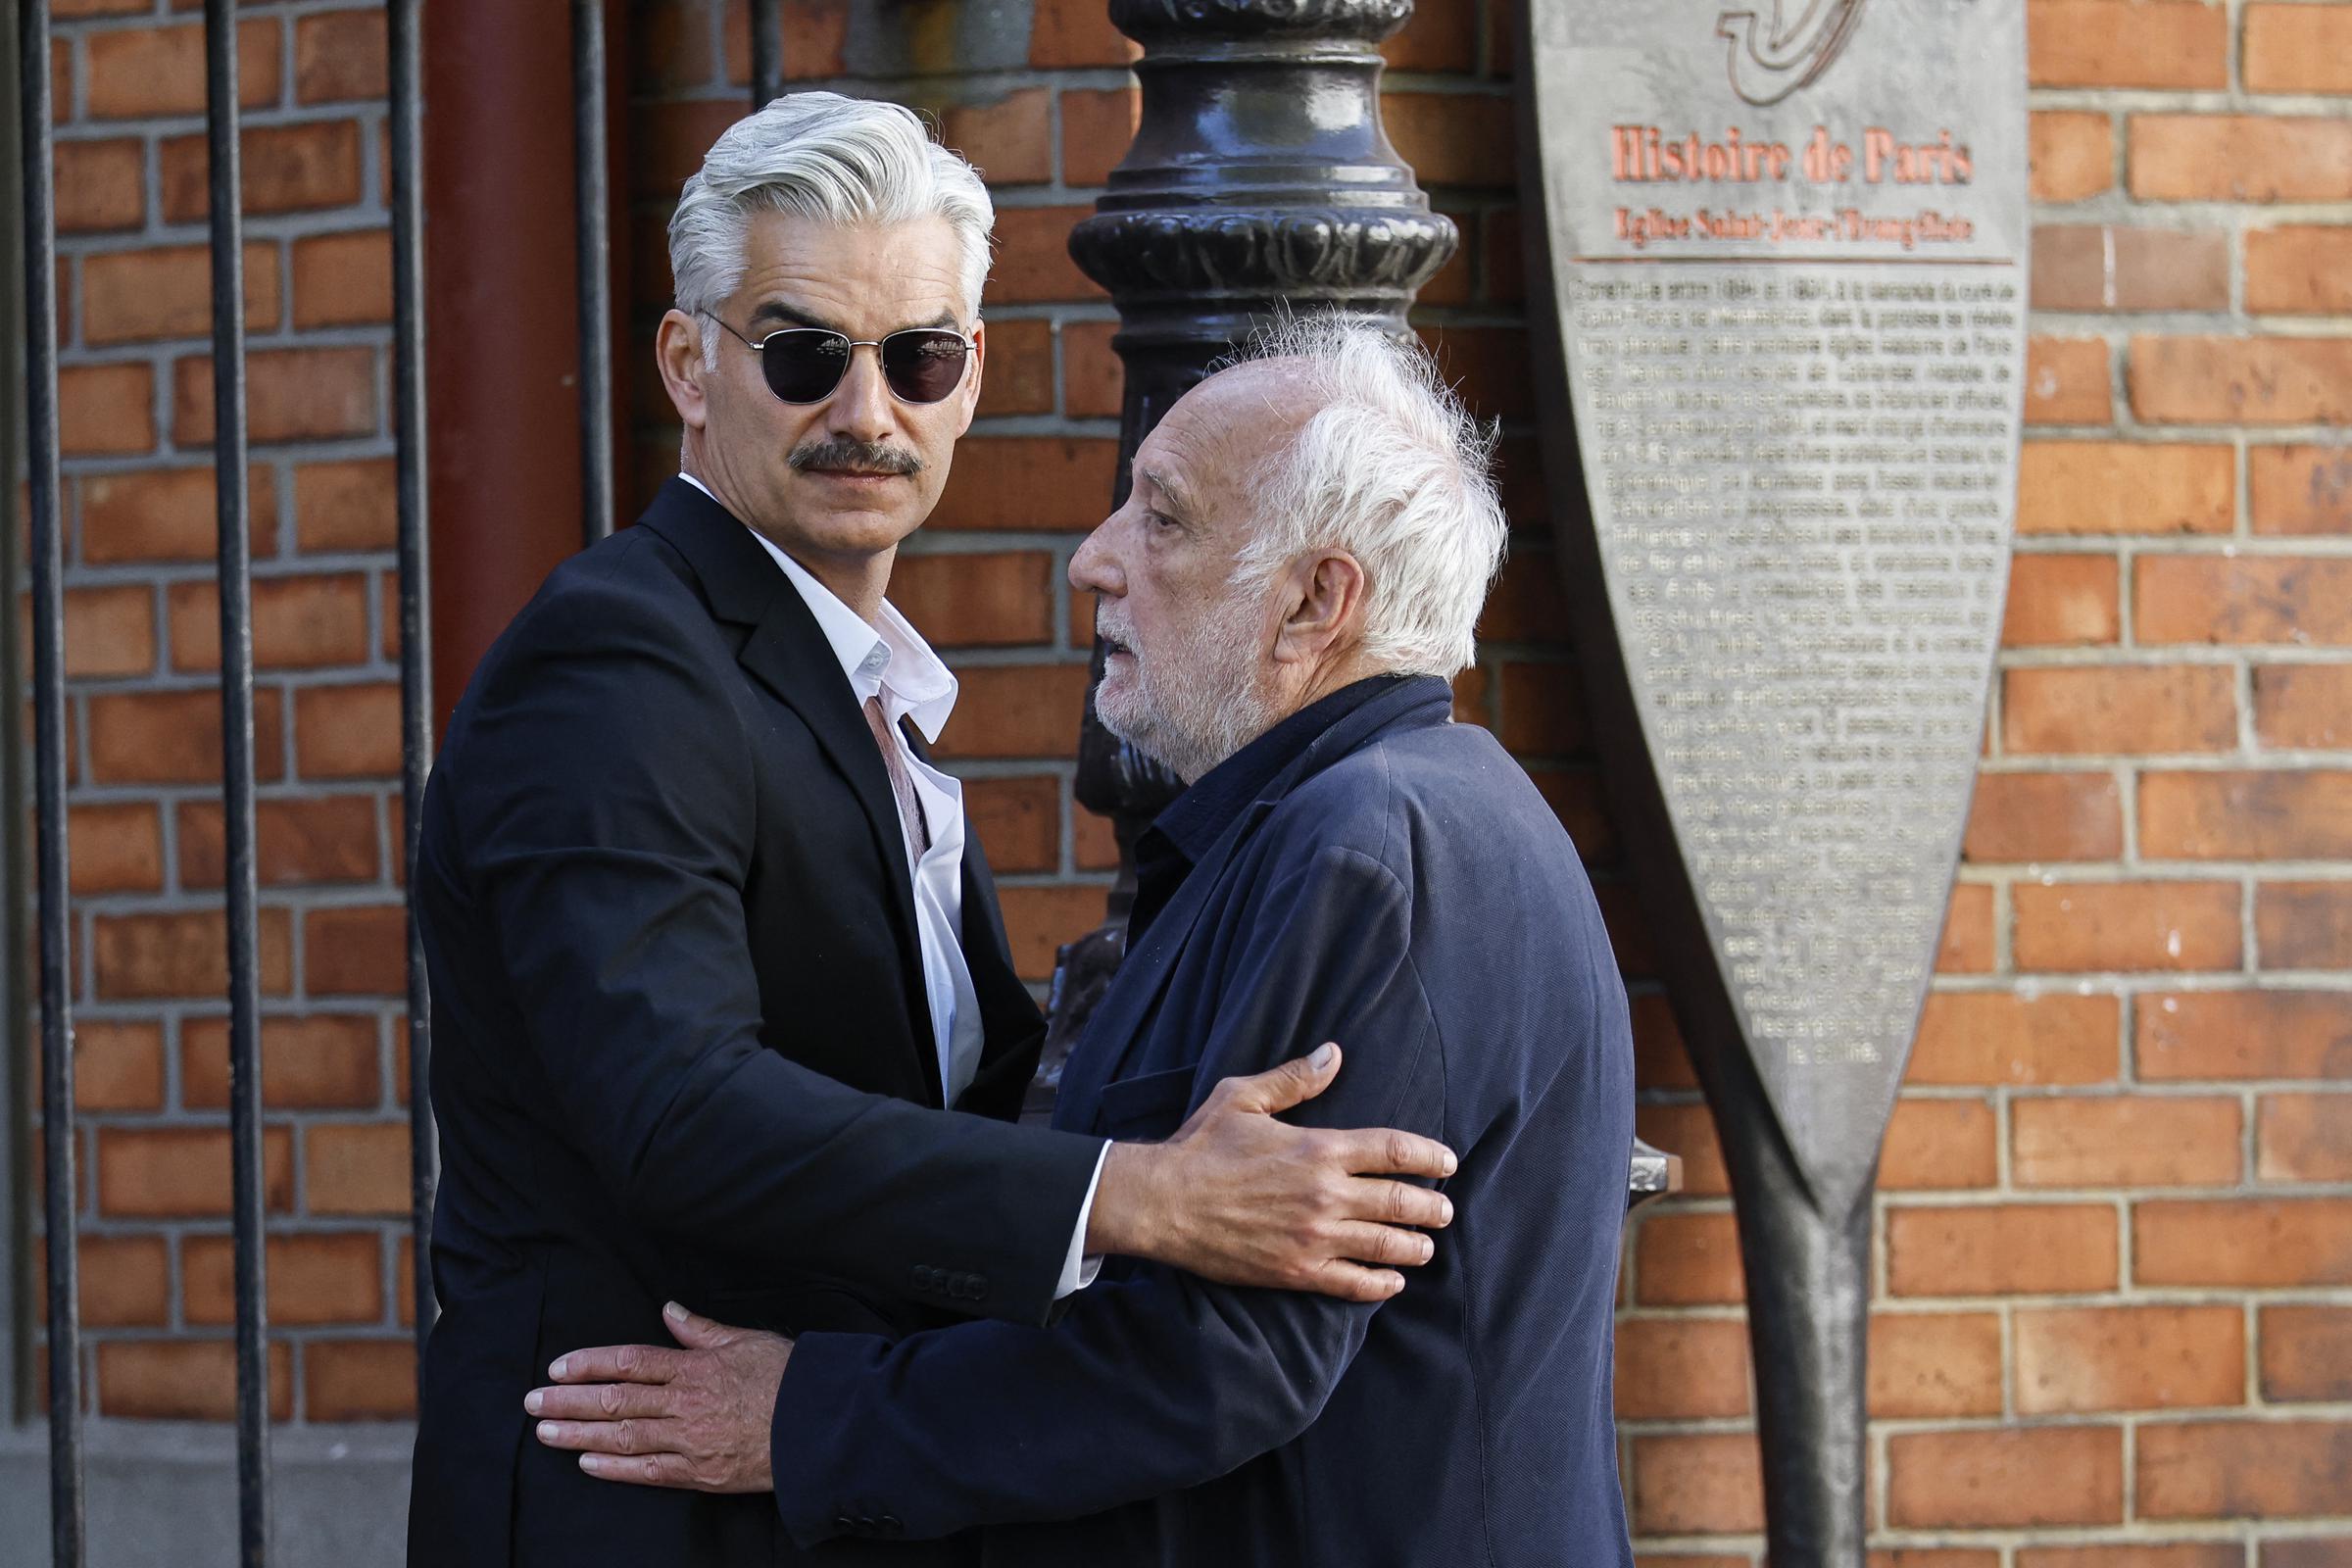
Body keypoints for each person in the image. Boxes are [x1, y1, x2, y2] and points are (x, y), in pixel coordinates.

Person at [404, 96, 1460, 1568]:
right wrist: (1138, 1197)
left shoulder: (853, 682)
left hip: (796, 1486)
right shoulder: (621, 661)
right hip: (632, 1503)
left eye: (920, 356)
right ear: (687, 365)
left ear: (970, 380)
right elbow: (676, 1109)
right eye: (802, 353)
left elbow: (939, 1097)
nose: (865, 412)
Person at [531, 318, 1640, 1565]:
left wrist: (805, 1416)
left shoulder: (1368, 846)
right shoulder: (1403, 814)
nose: (1094, 559)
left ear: (1315, 602)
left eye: (1162, 520)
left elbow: (1219, 1360)